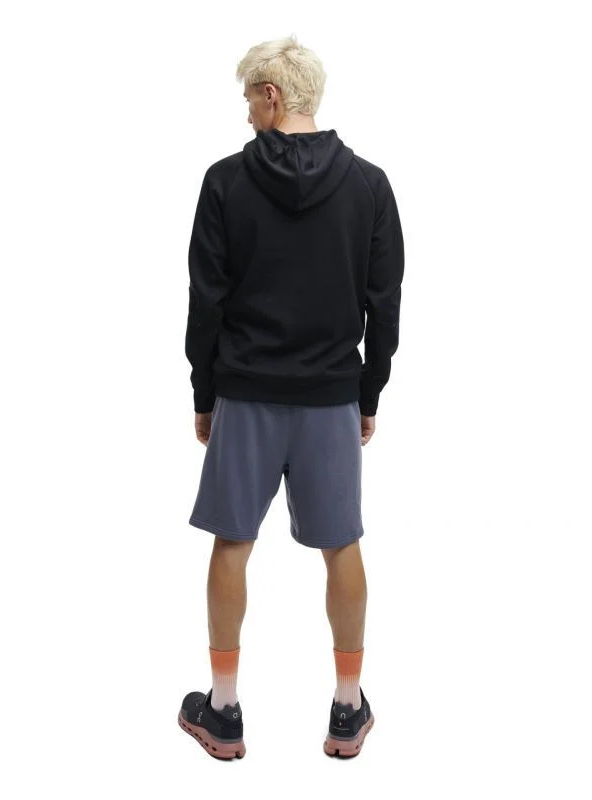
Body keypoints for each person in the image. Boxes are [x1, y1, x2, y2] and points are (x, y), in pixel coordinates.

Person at [177, 34, 404, 760]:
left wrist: (205, 393)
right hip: (331, 396)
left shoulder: (224, 182)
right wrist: (368, 394)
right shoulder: (370, 186)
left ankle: (222, 709)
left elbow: (206, 303)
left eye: (249, 97)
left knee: (232, 542)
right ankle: (347, 707)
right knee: (342, 545)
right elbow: (384, 305)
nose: (246, 111)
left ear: (271, 96)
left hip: (246, 393)